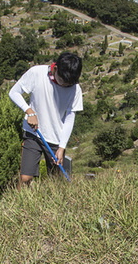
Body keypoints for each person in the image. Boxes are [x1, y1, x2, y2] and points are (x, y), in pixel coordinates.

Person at [8, 52, 83, 188]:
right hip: (33, 133)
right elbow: (13, 92)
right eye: (63, 81)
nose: (65, 86)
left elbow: (70, 118)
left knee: (56, 183)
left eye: (69, 84)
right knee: (25, 178)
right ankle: (16, 205)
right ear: (55, 69)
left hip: (56, 139)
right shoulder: (37, 73)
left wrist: (62, 147)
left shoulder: (75, 89)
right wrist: (29, 111)